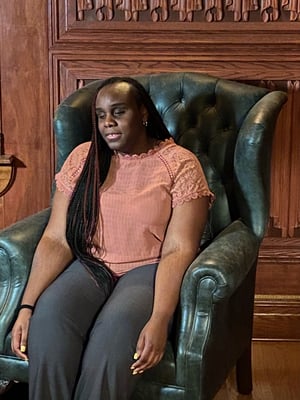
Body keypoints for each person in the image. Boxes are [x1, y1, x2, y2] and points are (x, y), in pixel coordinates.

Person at [11, 76, 214, 400]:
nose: (108, 123)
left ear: (143, 113)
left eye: (118, 112)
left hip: (147, 269)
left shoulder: (179, 164)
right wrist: (27, 305)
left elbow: (178, 249)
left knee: (114, 338)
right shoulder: (83, 158)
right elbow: (56, 239)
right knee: (48, 324)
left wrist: (160, 318)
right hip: (90, 265)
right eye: (101, 115)